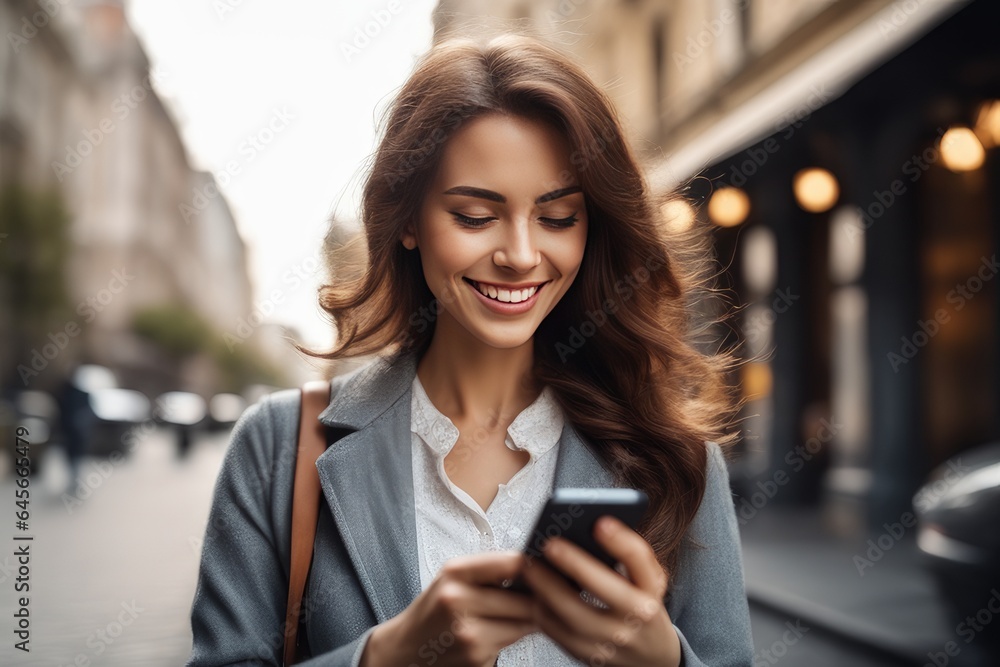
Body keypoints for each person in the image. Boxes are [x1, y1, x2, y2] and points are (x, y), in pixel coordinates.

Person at [187, 33, 753, 667]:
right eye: (476, 216)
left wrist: (667, 662)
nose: (519, 255)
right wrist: (386, 656)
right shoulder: (278, 449)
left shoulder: (679, 459)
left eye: (558, 217)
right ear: (407, 220)